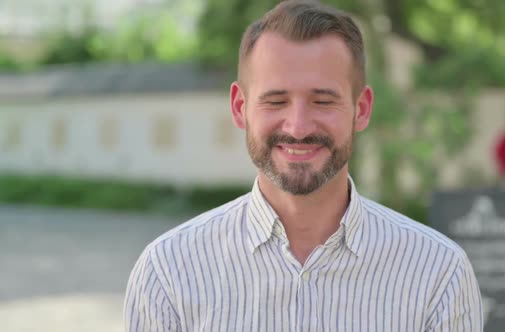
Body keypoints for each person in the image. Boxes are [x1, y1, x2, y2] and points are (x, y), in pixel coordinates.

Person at [124, 1, 483, 331]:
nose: (298, 127)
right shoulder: (169, 272)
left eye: (323, 101)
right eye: (276, 101)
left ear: (362, 109)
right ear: (239, 107)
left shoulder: (437, 273)